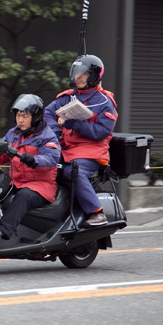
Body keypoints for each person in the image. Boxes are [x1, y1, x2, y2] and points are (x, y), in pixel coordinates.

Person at [43, 54, 118, 227]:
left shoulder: (105, 102)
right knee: (43, 165)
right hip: (65, 147)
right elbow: (47, 113)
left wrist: (76, 124)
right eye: (77, 73)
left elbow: (102, 132)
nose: (79, 77)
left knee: (72, 172)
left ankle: (97, 212)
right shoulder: (67, 97)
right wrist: (54, 131)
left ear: (94, 76)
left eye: (83, 74)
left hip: (91, 150)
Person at [0, 94, 61, 246]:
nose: (20, 120)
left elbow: (52, 158)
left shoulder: (47, 136)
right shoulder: (13, 134)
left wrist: (34, 159)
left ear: (36, 117)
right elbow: (1, 154)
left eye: (24, 116)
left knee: (23, 196)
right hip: (18, 182)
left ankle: (0, 232)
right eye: (18, 115)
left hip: (40, 186)